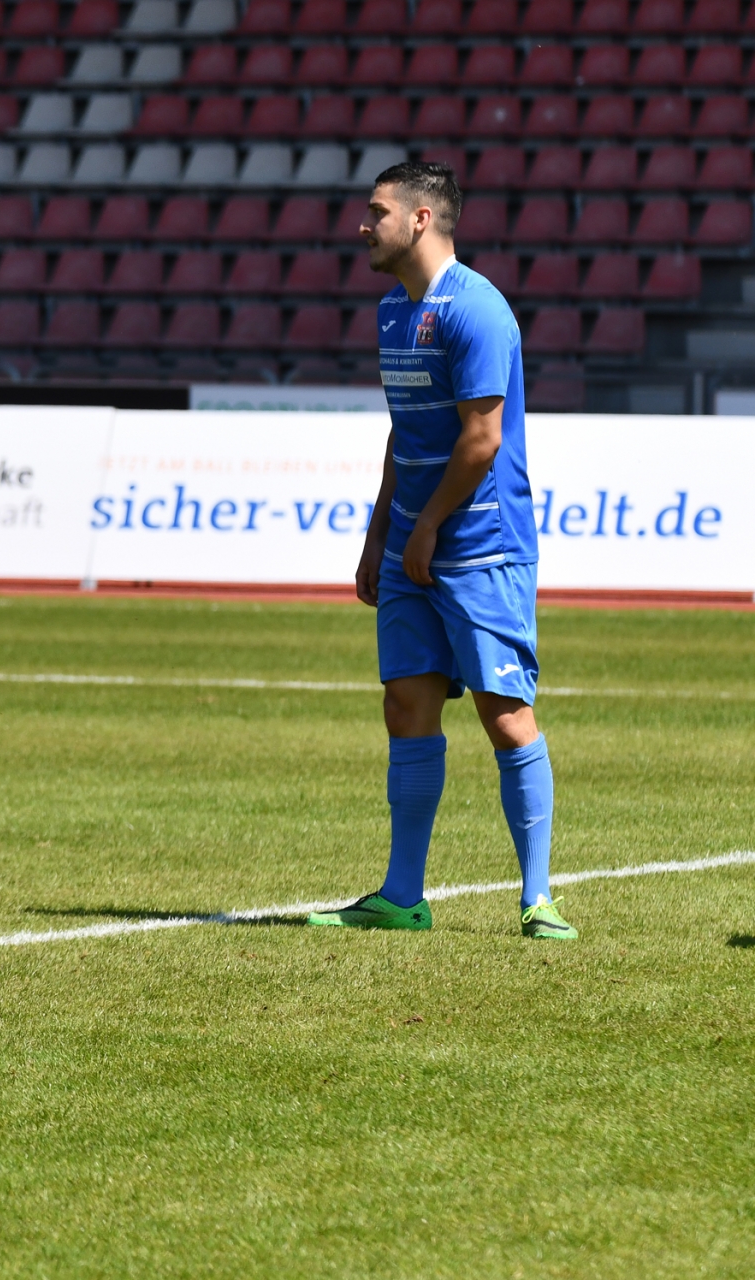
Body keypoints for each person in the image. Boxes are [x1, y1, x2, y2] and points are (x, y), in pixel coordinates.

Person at [308, 161, 576, 941]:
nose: (364, 225)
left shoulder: (478, 311)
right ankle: (402, 894)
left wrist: (424, 527)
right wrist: (379, 532)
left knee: (504, 715)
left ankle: (537, 897)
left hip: (480, 545)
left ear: (422, 220)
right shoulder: (395, 312)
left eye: (376, 211)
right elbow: (408, 431)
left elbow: (482, 439)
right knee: (406, 706)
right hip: (411, 549)